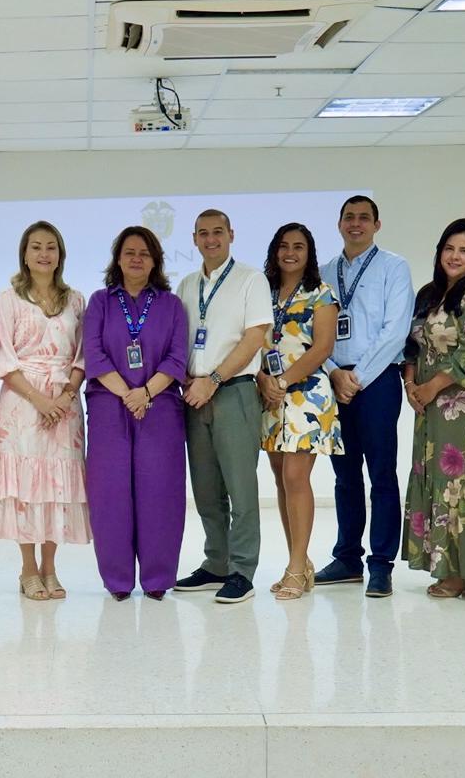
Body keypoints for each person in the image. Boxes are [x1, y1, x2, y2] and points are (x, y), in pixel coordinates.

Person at [314, 195, 415, 599]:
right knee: (344, 475)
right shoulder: (323, 274)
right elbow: (313, 335)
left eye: (363, 218)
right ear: (339, 224)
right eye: (349, 218)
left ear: (376, 224)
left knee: (382, 474)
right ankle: (347, 558)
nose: (356, 224)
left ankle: (380, 564)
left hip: (377, 381)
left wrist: (357, 376)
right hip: (335, 380)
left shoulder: (393, 267)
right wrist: (334, 373)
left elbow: (395, 330)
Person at [0, 221, 89, 602]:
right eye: (36, 247)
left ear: (60, 255)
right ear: (24, 255)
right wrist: (40, 400)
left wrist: (64, 395)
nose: (44, 254)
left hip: (65, 403)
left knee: (56, 487)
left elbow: (83, 354)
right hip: (22, 403)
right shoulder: (9, 299)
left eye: (51, 247)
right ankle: (28, 568)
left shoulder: (76, 300)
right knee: (25, 488)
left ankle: (50, 566)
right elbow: (4, 357)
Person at [172, 210, 272, 605]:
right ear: (194, 238)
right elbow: (179, 340)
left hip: (232, 390)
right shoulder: (186, 284)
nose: (211, 239)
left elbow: (254, 339)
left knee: (241, 488)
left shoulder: (251, 279)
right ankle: (216, 563)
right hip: (193, 395)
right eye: (203, 233)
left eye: (218, 232)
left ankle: (242, 571)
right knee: (207, 490)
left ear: (231, 235)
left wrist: (212, 380)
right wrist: (188, 382)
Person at [83, 226, 188, 600]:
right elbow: (93, 354)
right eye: (129, 252)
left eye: (144, 253)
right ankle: (117, 580)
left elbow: (177, 358)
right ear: (118, 258)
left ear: (155, 260)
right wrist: (128, 394)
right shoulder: (100, 302)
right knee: (110, 492)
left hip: (159, 407)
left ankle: (158, 579)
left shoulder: (171, 305)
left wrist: (144, 392)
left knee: (160, 491)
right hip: (109, 405)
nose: (136, 259)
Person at [401, 219, 465, 600]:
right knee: (434, 479)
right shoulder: (429, 293)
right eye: (449, 248)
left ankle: (463, 571)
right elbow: (410, 345)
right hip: (427, 405)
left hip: (461, 404)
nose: (455, 257)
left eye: (464, 251)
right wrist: (411, 385)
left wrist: (430, 387)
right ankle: (446, 565)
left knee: (460, 483)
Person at [258, 223, 342, 601]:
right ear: (275, 251)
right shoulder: (264, 292)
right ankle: (301, 561)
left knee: (296, 475)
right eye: (284, 246)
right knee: (280, 477)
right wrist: (264, 380)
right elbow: (254, 343)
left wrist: (284, 381)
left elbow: (322, 348)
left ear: (309, 254)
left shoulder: (321, 294)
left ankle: (295, 567)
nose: (290, 252)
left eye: (299, 247)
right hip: (270, 396)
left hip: (306, 395)